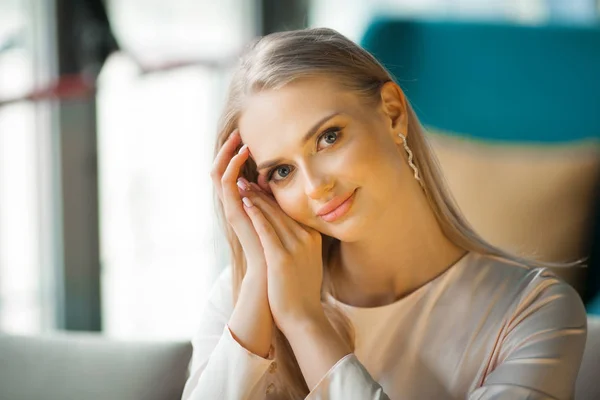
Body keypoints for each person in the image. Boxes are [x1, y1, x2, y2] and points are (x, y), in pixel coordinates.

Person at [181, 28, 587, 400]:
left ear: (392, 112)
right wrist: (259, 292)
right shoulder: (242, 296)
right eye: (282, 171)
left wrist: (306, 322)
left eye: (328, 138)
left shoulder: (534, 312)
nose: (314, 186)